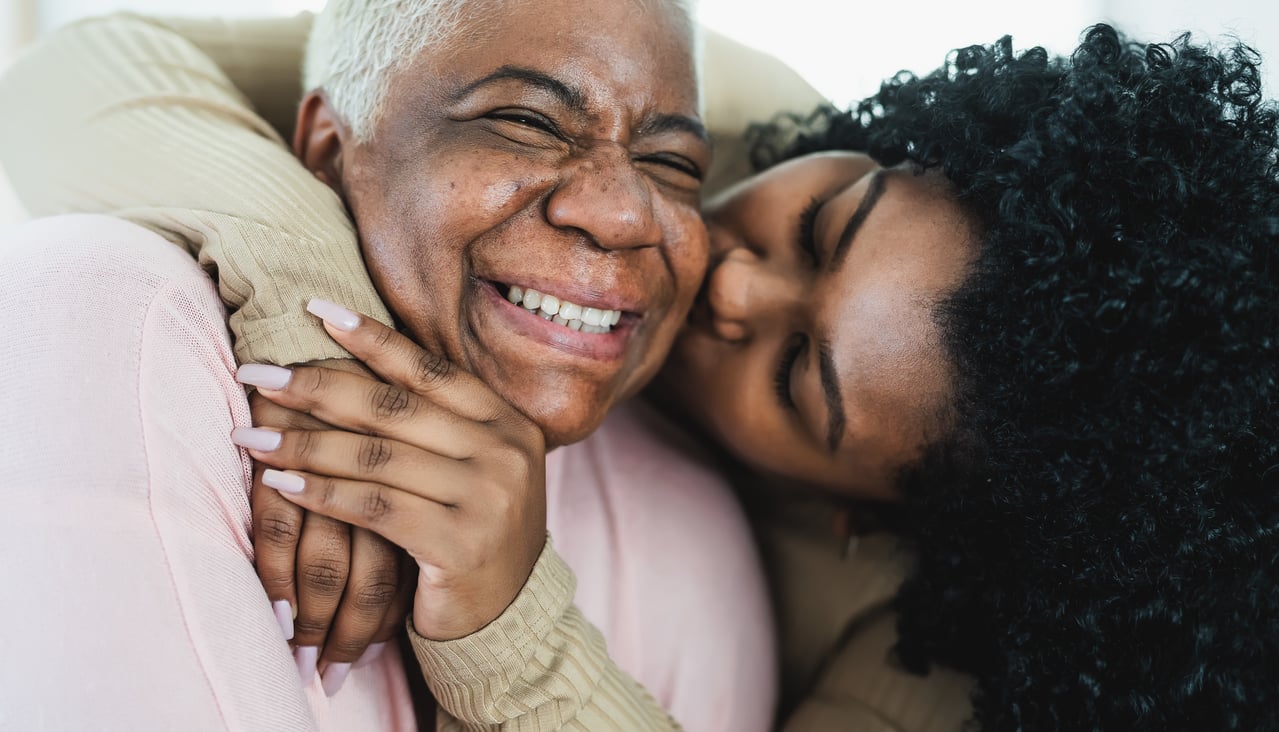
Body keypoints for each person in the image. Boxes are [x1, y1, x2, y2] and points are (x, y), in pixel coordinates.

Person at [8, 14, 1279, 732]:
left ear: (856, 513)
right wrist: (310, 313)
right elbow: (80, 68)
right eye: (820, 223)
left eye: (799, 375)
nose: (730, 276)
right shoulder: (691, 113)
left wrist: (509, 613)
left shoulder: (914, 667)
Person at [0, 1, 805, 730]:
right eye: (527, 120)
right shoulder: (116, 325)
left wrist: (511, 644)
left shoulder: (692, 531)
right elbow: (68, 74)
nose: (626, 213)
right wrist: (315, 317)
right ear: (325, 148)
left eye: (674, 165)